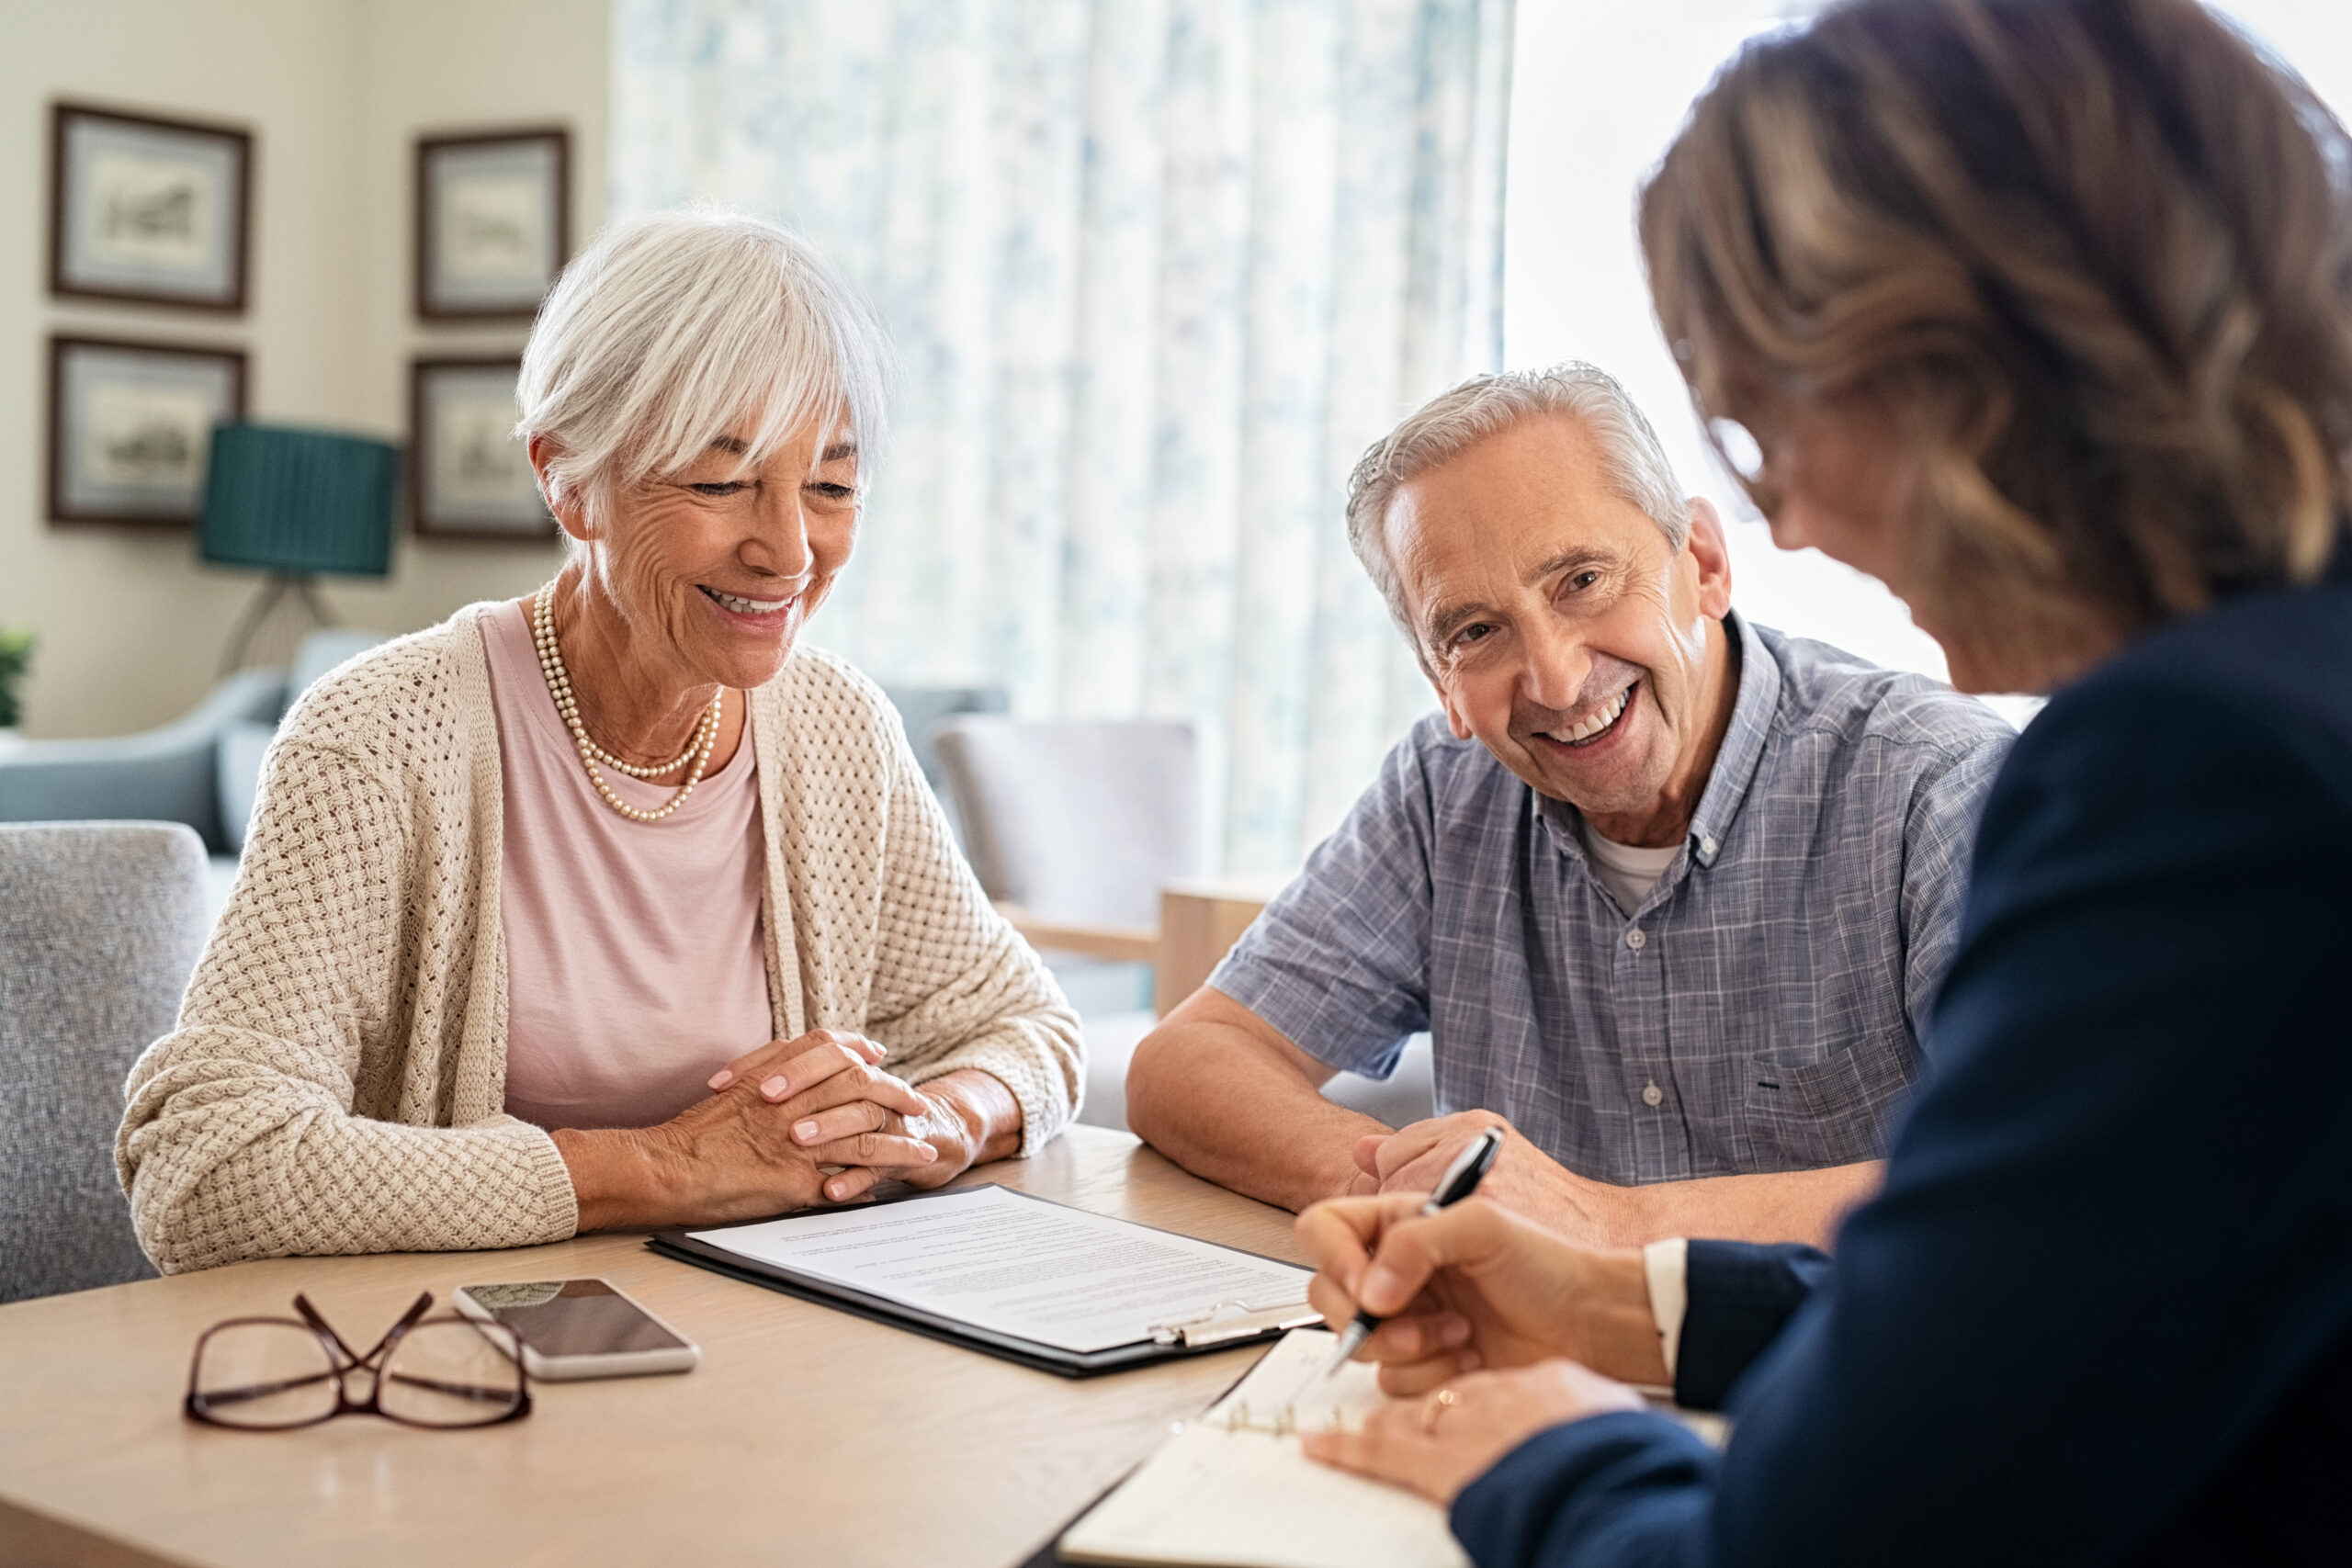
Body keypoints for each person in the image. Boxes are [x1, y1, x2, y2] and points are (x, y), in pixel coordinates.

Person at [1293, 0, 2352, 1560]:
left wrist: (1553, 1458)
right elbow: (2059, 1307)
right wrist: (1628, 1308)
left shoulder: (2193, 776)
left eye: (1762, 415)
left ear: (1953, 364)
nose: (1780, 516)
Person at [116, 211, 1082, 1273]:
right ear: (567, 479)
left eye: (832, 486)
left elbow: (1027, 1031)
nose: (790, 551)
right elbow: (207, 1172)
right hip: (464, 1360)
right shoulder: (377, 740)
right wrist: (670, 1168)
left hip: (782, 1349)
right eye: (721, 483)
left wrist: (934, 1124)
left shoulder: (837, 728)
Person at [1126, 364, 2014, 1249]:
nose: (1554, 677)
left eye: (1582, 580)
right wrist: (1431, 1191)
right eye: (1476, 632)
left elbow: (2045, 1172)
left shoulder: (1937, 787)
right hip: (1519, 1380)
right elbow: (1185, 1062)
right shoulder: (1445, 793)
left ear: (1702, 564)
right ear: (1444, 683)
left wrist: (1601, 1223)